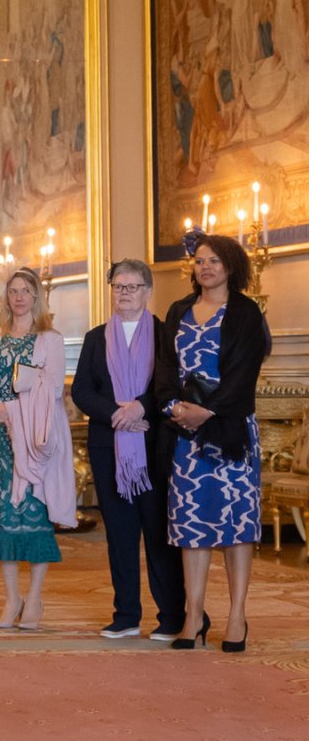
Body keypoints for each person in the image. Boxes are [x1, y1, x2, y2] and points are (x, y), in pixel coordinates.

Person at [155, 234, 267, 653]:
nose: (206, 268)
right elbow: (165, 365)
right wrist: (172, 407)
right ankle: (193, 615)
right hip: (186, 435)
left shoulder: (245, 312)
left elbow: (244, 373)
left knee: (237, 524)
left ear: (231, 266)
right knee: (191, 525)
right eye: (200, 261)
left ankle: (237, 615)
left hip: (231, 430)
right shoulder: (179, 310)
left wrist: (210, 411)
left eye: (214, 261)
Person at [71, 260, 186, 640]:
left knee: (158, 534)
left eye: (132, 287)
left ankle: (171, 616)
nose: (124, 293)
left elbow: (173, 385)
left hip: (154, 447)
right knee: (119, 534)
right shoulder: (95, 338)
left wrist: (141, 407)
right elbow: (82, 391)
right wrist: (117, 413)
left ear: (148, 291)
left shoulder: (166, 335)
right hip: (109, 447)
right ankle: (126, 615)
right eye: (118, 286)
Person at [0, 267, 76, 630]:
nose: (18, 297)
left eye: (25, 291)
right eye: (13, 291)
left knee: (35, 514)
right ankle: (11, 598)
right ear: (5, 298)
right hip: (2, 435)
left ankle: (34, 598)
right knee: (5, 516)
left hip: (36, 436)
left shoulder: (50, 338)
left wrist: (20, 404)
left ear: (36, 296)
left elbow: (52, 389)